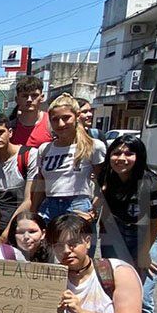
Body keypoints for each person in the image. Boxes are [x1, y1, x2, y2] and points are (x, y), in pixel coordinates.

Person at [98, 134, 157, 313]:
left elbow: (156, 220)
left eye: (129, 153)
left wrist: (143, 253)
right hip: (118, 230)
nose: (121, 158)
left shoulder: (151, 184)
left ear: (139, 157)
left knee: (142, 294)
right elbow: (105, 204)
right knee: (114, 287)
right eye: (116, 153)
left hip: (149, 233)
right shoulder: (107, 176)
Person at [28, 94, 106, 222]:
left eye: (66, 118)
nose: (60, 123)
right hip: (48, 206)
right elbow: (40, 185)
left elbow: (103, 183)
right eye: (55, 119)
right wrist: (34, 212)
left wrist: (94, 209)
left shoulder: (94, 146)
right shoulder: (44, 149)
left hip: (78, 206)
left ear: (77, 116)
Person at [0, 112, 37, 235]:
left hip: (22, 225)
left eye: (0, 132)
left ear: (10, 132)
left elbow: (29, 201)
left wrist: (6, 234)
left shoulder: (29, 156)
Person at [8, 75, 51, 148]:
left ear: (42, 97)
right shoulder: (10, 127)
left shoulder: (52, 122)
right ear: (17, 99)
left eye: (34, 95)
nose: (29, 100)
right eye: (25, 96)